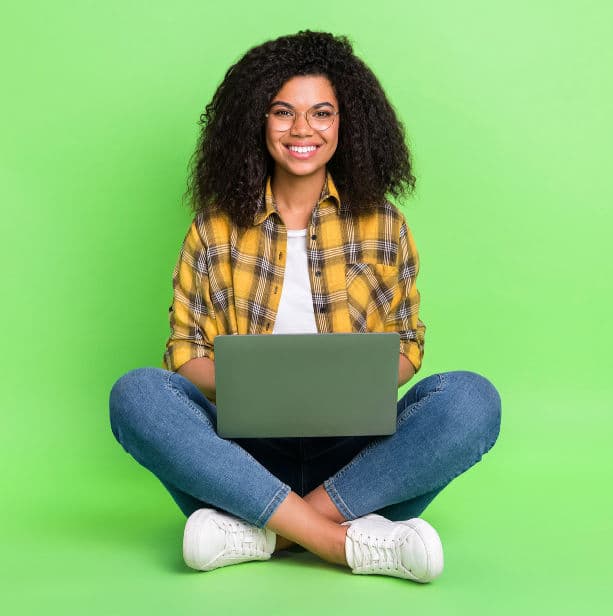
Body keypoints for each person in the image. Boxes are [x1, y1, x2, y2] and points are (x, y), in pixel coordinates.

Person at [109, 30, 501, 583]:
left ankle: (263, 532)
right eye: (282, 112)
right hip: (241, 461)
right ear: (257, 122)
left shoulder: (383, 224)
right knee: (137, 395)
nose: (302, 130)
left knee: (470, 400)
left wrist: (347, 389)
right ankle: (343, 543)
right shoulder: (214, 227)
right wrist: (256, 390)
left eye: (322, 113)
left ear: (347, 124)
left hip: (358, 466)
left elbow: (408, 345)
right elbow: (184, 353)